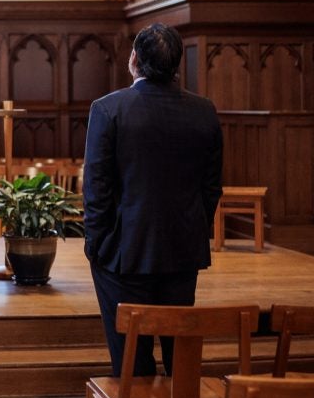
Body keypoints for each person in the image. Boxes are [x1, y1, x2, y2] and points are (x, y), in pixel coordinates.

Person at [83, 23, 223, 377]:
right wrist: (193, 227)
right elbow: (211, 186)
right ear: (177, 64)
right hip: (182, 249)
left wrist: (96, 244)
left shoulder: (108, 109)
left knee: (132, 360)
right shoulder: (204, 111)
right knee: (180, 356)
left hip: (122, 252)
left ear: (134, 60)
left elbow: (97, 186)